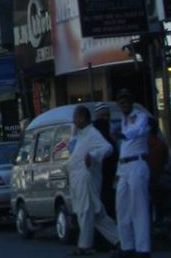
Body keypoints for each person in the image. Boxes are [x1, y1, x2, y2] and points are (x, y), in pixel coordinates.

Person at [67, 106, 119, 255]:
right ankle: (120, 241)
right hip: (78, 179)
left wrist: (93, 156)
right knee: (97, 215)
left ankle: (84, 245)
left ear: (83, 118)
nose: (74, 120)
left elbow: (107, 148)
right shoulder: (80, 134)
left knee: (87, 212)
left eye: (76, 117)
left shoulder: (92, 133)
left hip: (87, 178)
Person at [115, 90, 151, 257]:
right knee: (122, 207)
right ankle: (127, 246)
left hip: (137, 163)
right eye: (121, 101)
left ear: (132, 102)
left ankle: (143, 249)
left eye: (127, 101)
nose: (124, 104)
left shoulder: (140, 116)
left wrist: (123, 134)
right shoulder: (123, 120)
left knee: (139, 207)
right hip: (124, 167)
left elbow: (139, 130)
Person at [93, 104, 118, 219]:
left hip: (112, 177)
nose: (106, 118)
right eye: (103, 115)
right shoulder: (93, 131)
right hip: (98, 178)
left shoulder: (113, 130)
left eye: (107, 115)